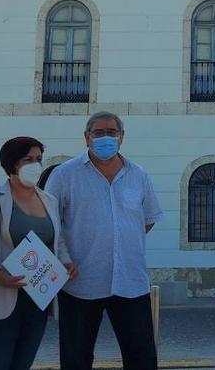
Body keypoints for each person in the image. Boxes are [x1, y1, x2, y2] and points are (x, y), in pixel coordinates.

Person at [47, 112, 163, 370]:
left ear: (122, 137)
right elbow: (50, 222)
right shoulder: (65, 175)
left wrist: (118, 237)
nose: (106, 137)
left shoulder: (138, 175)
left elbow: (148, 218)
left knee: (141, 358)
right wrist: (64, 257)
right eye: (98, 132)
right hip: (80, 283)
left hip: (130, 281)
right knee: (76, 358)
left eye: (112, 132)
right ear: (86, 137)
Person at [0, 136, 78, 370]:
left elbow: (57, 242)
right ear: (12, 164)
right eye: (28, 159)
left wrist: (66, 262)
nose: (35, 165)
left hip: (37, 300)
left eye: (38, 159)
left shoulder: (49, 200)